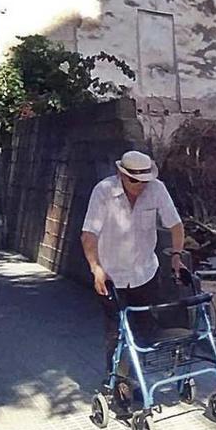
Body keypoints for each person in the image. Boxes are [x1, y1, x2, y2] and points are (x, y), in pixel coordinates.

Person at [80, 150, 185, 407]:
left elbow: (176, 225)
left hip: (145, 272)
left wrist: (176, 255)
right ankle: (118, 382)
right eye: (135, 181)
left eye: (144, 181)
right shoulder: (103, 191)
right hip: (111, 276)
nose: (140, 186)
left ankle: (138, 379)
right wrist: (95, 268)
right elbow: (88, 235)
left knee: (144, 329)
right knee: (116, 332)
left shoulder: (156, 189)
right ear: (121, 175)